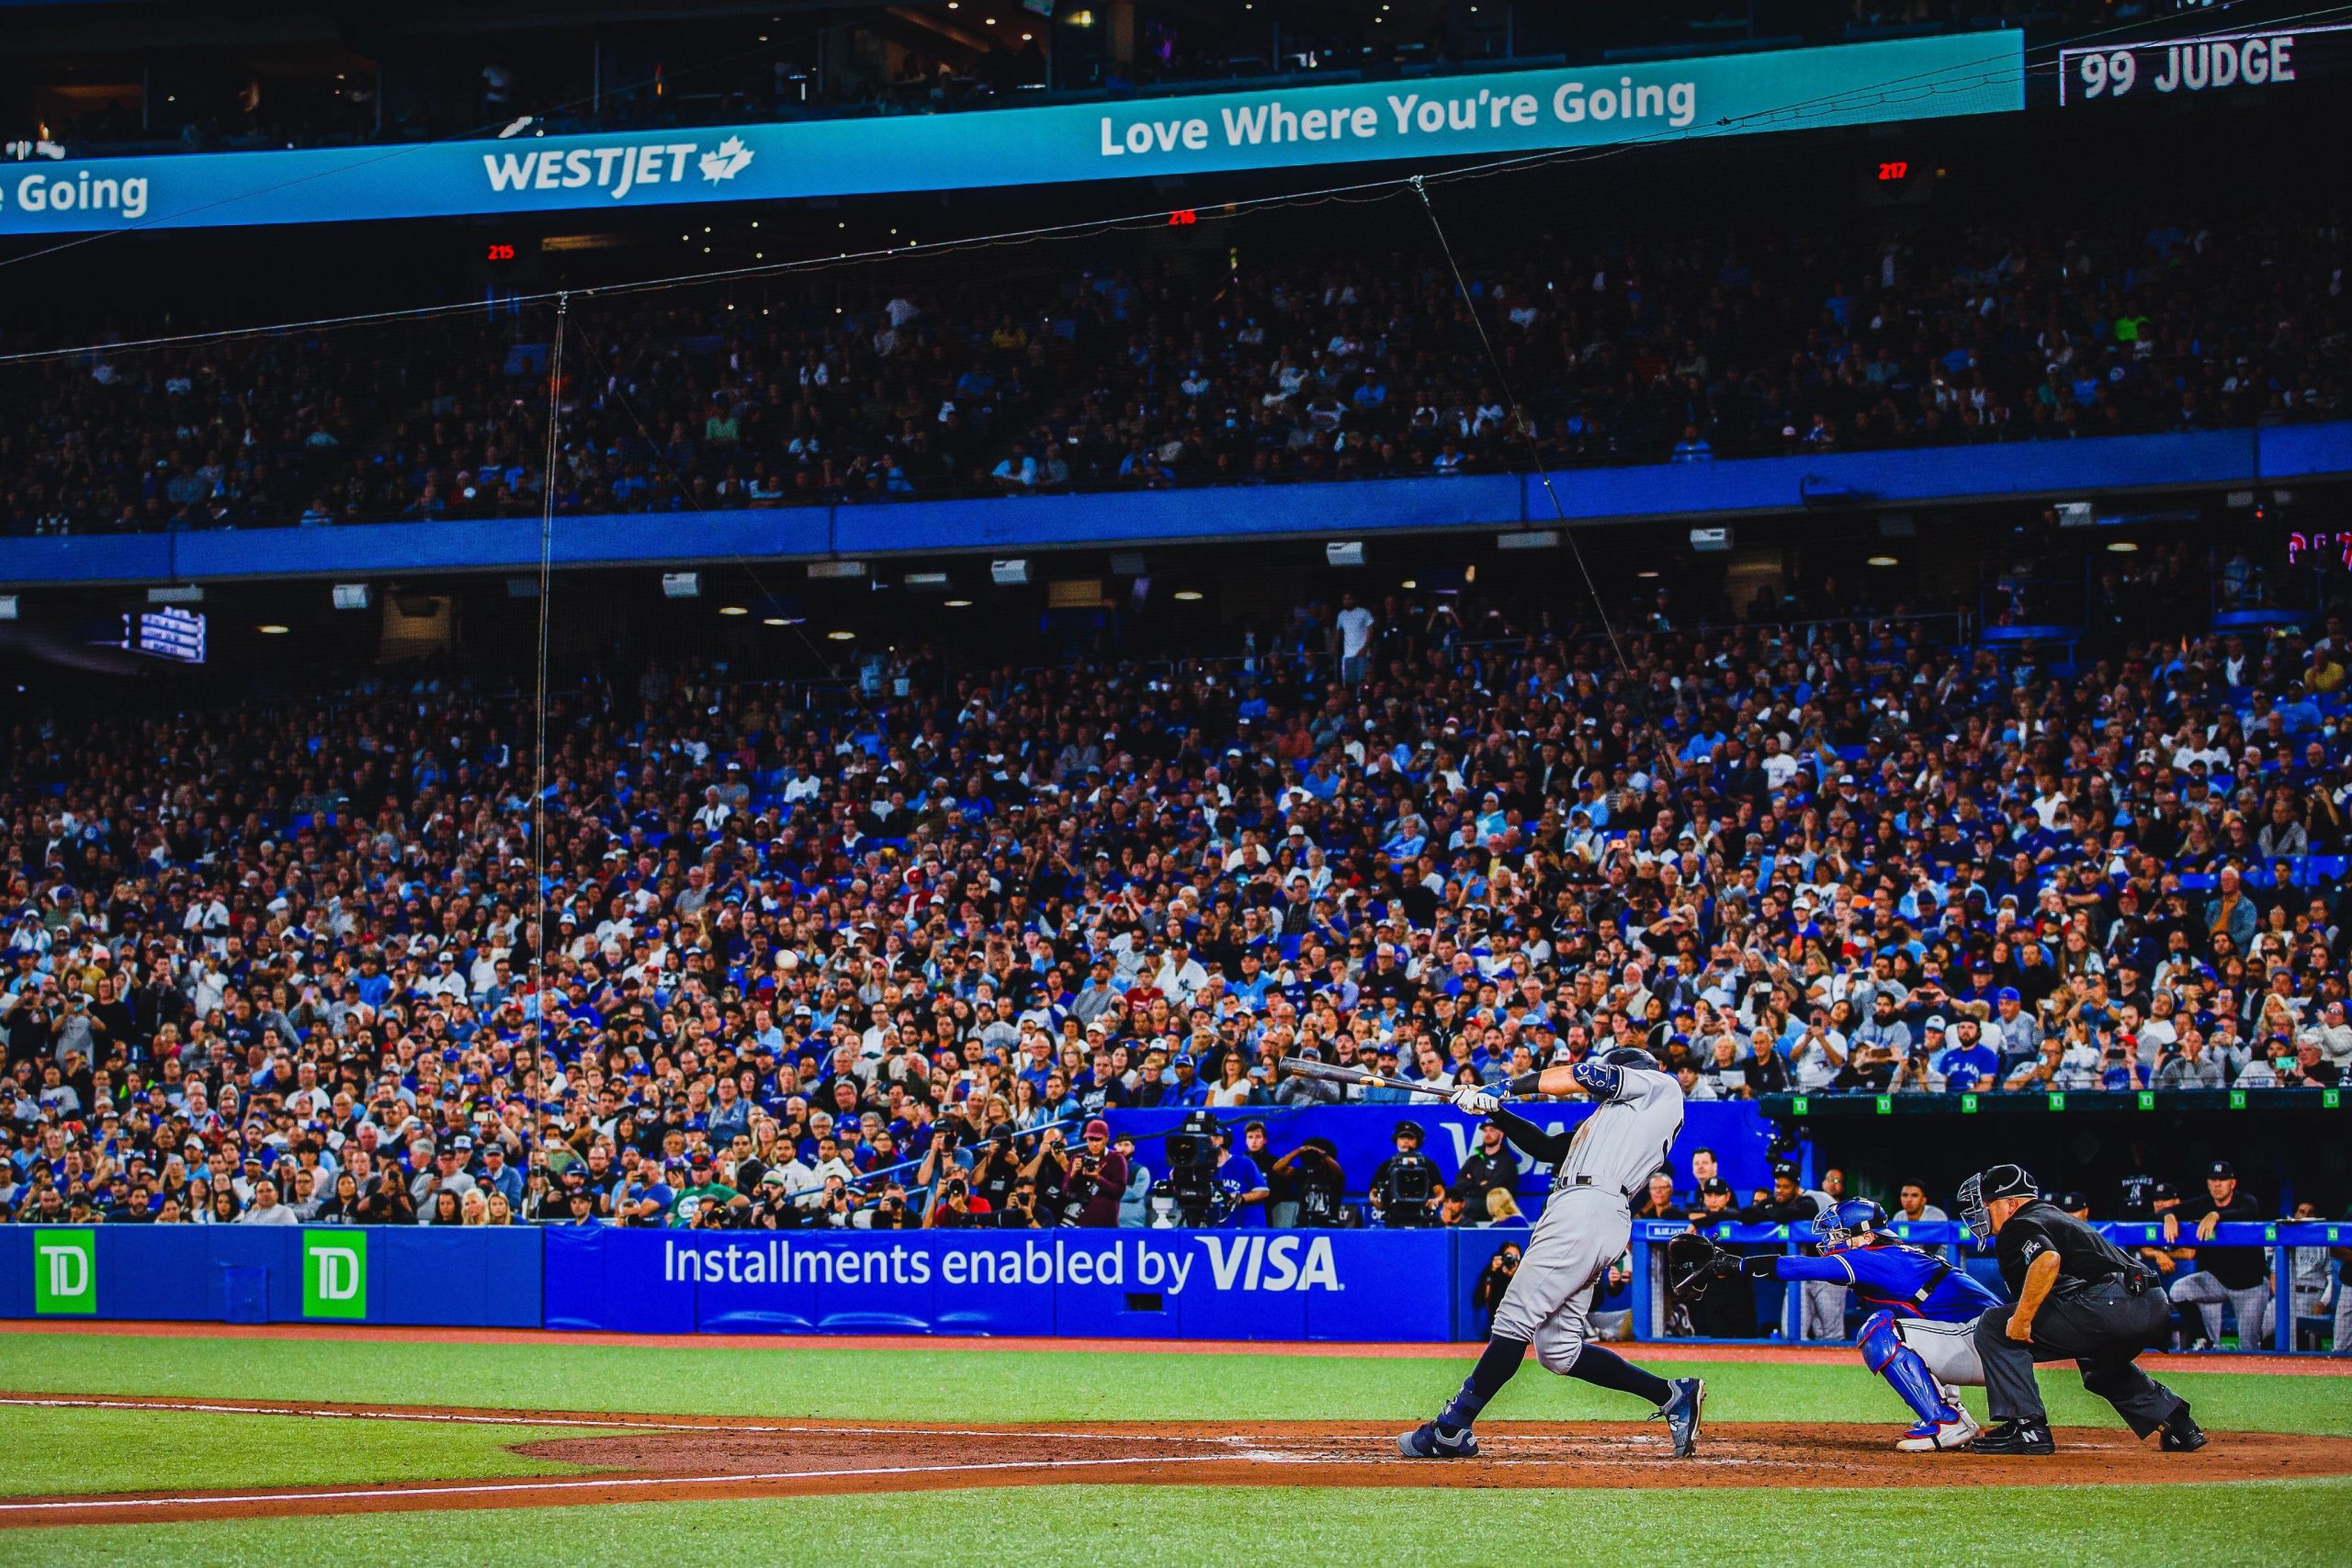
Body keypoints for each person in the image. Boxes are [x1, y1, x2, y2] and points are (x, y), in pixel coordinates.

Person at [1397, 1047, 1704, 1461]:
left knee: (1514, 1317)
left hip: (1588, 1207)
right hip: (1585, 1208)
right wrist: (1493, 1110)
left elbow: (1582, 1073)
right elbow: (1546, 1148)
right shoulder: (1613, 1123)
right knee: (1558, 1351)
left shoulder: (1658, 1086)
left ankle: (1451, 1429)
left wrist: (1502, 1087)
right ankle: (1670, 1394)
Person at [1679, 1199, 2002, 1450]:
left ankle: (1945, 1421)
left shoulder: (1876, 1255)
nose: (1831, 1242)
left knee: (1881, 1329)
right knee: (1905, 1324)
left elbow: (1802, 1267)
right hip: (1990, 1346)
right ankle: (1957, 1418)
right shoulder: (1896, 1254)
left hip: (1988, 1345)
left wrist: (1732, 1263)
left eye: (1838, 1235)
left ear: (1866, 1235)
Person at [1959, 1162, 2204, 1455]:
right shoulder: (2051, 1215)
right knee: (2100, 1367)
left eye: (1988, 1204)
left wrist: (2022, 1320)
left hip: (2114, 1302)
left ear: (2011, 1203)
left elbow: (2047, 1260)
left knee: (1996, 1326)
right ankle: (2178, 1424)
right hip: (2150, 1302)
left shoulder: (2019, 1223)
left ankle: (2027, 1427)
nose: (1983, 1211)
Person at [2165, 1159, 2270, 1351]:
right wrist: (2169, 1216)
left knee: (2249, 1348)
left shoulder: (2245, 1200)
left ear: (2232, 1183)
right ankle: (2203, 1338)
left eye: (2222, 1179)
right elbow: (2163, 1211)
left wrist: (2216, 1215)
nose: (2217, 1184)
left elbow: (2249, 1211)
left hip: (2250, 1287)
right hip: (2217, 1281)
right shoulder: (2202, 1202)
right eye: (2213, 1179)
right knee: (2179, 1290)